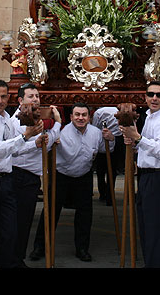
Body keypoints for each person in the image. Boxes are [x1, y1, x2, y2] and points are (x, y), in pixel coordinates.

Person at [0, 79, 47, 268]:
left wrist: (32, 144)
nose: (0, 100)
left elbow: (14, 149)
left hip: (5, 180)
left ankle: (7, 263)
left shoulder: (7, 119)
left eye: (4, 96)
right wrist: (26, 136)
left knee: (9, 229)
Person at [32, 102, 112, 262]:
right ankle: (40, 246)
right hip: (61, 175)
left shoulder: (96, 133)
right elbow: (45, 147)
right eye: (77, 115)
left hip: (84, 175)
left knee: (85, 214)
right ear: (71, 117)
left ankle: (82, 248)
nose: (80, 118)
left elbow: (106, 149)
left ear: (89, 117)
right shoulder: (61, 131)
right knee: (51, 211)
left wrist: (111, 139)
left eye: (84, 115)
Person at [121, 80, 160, 268]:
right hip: (147, 176)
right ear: (145, 97)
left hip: (159, 177)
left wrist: (137, 137)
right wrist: (135, 143)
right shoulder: (150, 117)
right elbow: (147, 148)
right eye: (151, 94)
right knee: (146, 228)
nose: (154, 98)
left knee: (155, 230)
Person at [8, 82, 61, 267]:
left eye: (37, 96)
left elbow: (45, 143)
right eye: (31, 96)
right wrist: (36, 143)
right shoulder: (16, 121)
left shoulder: (37, 118)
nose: (36, 99)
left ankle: (16, 258)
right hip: (18, 174)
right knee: (18, 222)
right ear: (20, 100)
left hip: (30, 176)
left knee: (25, 221)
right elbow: (15, 149)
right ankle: (13, 260)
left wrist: (56, 125)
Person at [91, 105, 122, 205]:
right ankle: (109, 196)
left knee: (101, 171)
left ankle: (104, 194)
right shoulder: (117, 110)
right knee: (111, 172)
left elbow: (95, 127)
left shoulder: (99, 112)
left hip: (107, 139)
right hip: (109, 139)